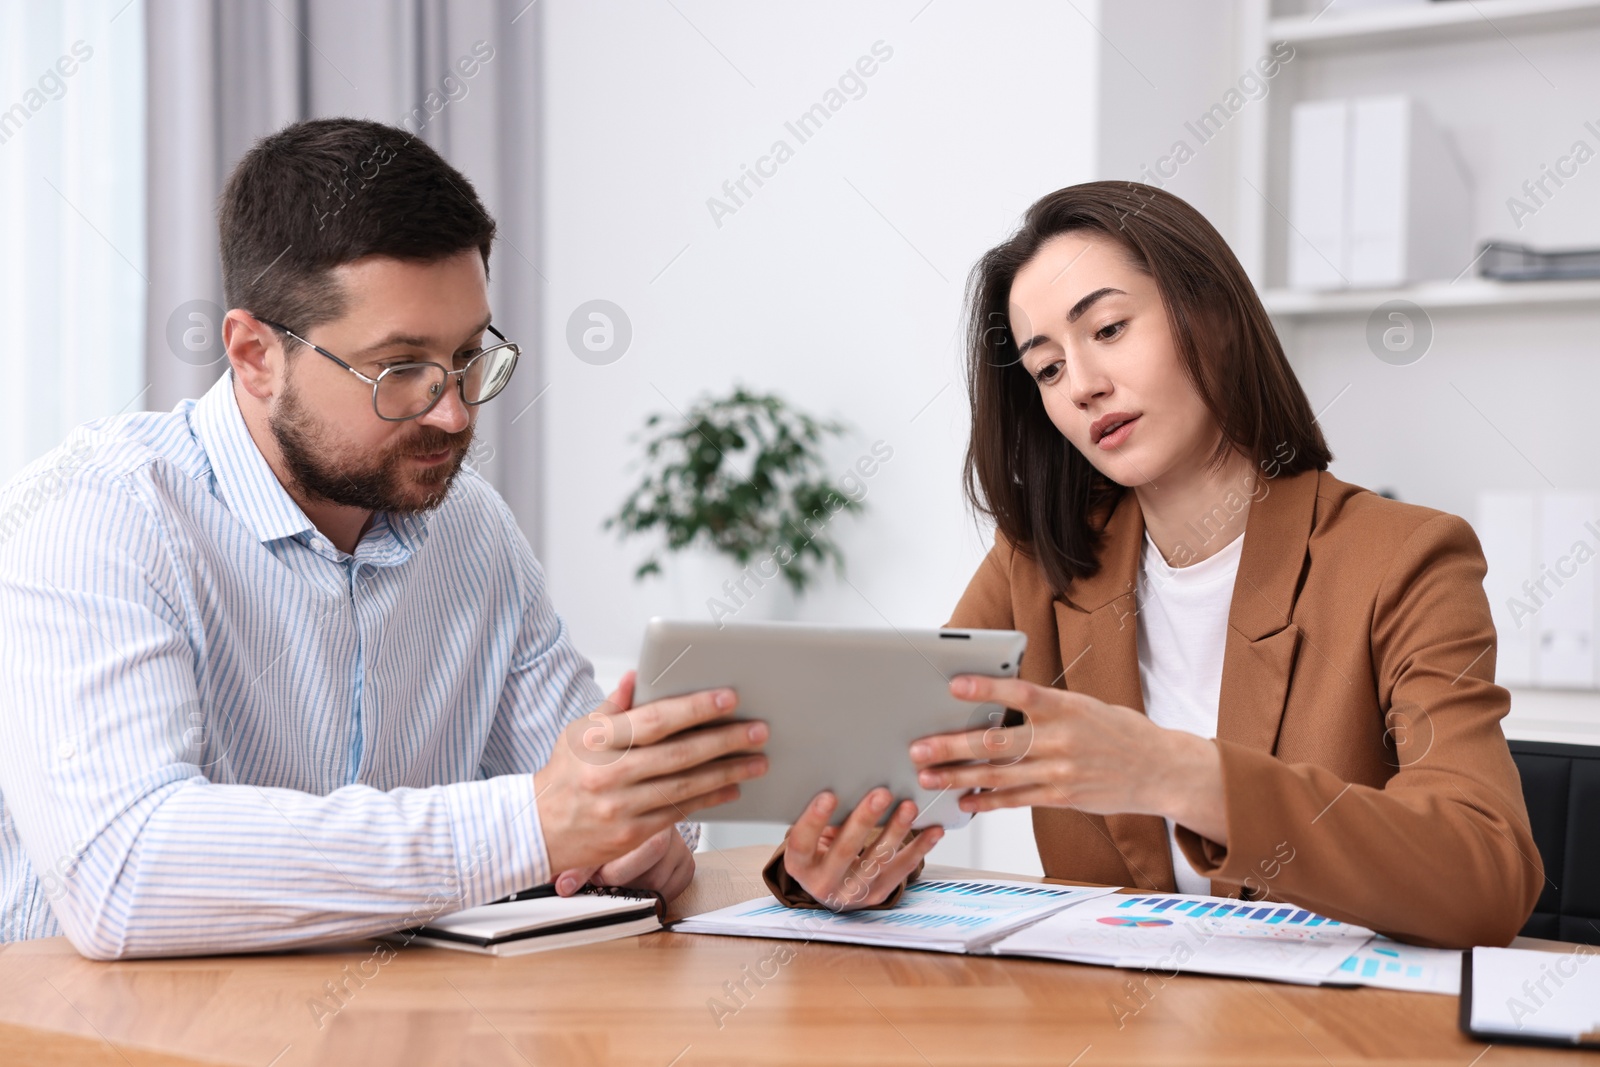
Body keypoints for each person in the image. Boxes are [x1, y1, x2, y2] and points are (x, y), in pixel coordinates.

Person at [0, 118, 768, 959]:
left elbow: (588, 792)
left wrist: (637, 837)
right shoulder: (97, 517)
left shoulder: (471, 528)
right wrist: (534, 824)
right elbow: (126, 873)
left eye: (470, 356)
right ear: (255, 354)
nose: (454, 411)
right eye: (400, 368)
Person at [763, 181, 1542, 949]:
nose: (1085, 386)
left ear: (1212, 313)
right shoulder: (1034, 568)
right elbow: (900, 779)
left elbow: (1487, 874)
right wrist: (837, 862)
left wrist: (1178, 773)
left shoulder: (1404, 558)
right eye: (1048, 369)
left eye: (1106, 328)